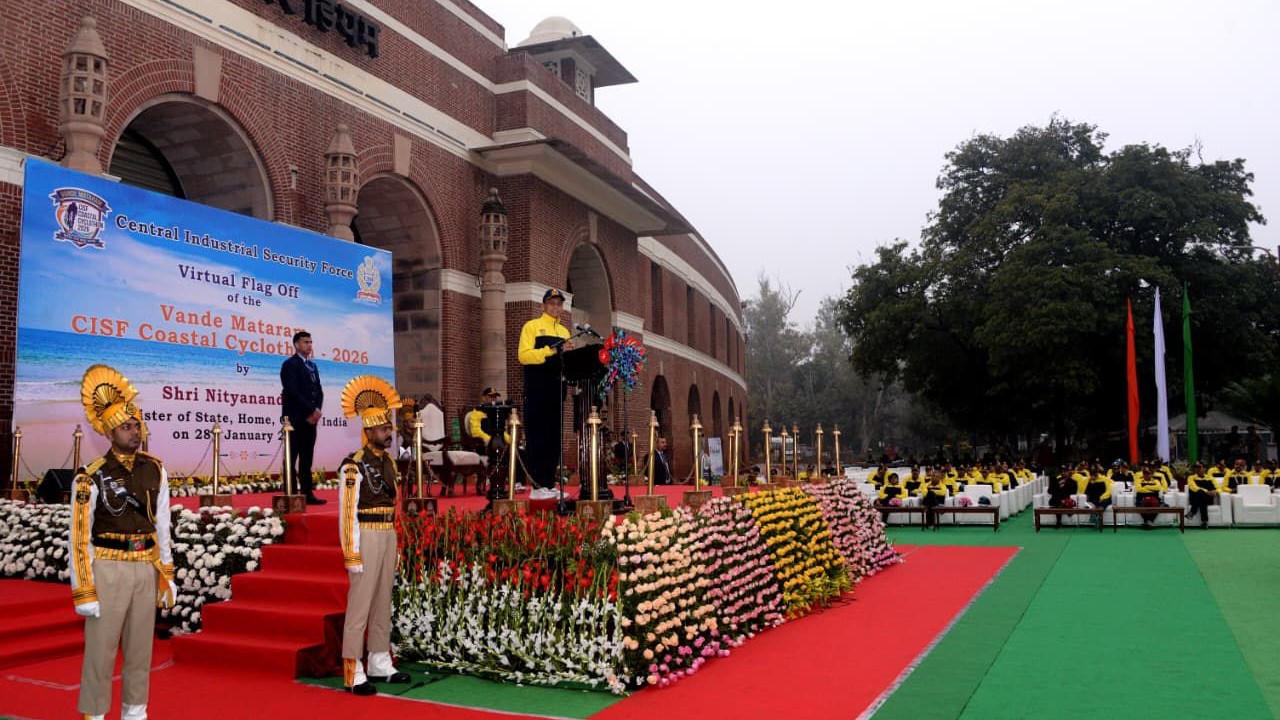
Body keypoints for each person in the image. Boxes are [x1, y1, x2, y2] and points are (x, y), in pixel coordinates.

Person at [70, 365, 176, 720]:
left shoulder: (156, 469)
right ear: (109, 432)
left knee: (140, 650)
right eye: (126, 427)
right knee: (100, 651)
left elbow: (163, 525)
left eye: (137, 425)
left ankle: (135, 712)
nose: (135, 432)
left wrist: (167, 575)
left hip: (146, 567)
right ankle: (95, 715)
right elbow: (79, 538)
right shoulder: (92, 475)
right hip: (108, 567)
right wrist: (84, 589)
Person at [337, 375, 411, 696]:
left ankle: (380, 659)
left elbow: (396, 504)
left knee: (383, 600)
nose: (389, 434)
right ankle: (353, 668)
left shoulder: (391, 463)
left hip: (387, 533)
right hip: (365, 533)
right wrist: (351, 553)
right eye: (383, 430)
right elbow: (347, 512)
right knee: (361, 604)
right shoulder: (352, 466)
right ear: (368, 431)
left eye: (389, 430)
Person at [518, 289, 572, 500]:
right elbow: (523, 356)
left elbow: (566, 362)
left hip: (556, 391)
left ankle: (549, 483)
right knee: (537, 437)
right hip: (537, 390)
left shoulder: (565, 332)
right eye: (552, 303)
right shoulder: (531, 327)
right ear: (543, 305)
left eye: (559, 304)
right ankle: (537, 485)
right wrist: (550, 351)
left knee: (553, 438)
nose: (556, 307)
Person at [280, 330, 326, 504]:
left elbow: (319, 391)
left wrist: (317, 410)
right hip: (295, 419)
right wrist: (310, 410)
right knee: (291, 458)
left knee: (307, 459)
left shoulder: (313, 366)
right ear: (297, 344)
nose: (309, 345)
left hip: (311, 420)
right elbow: (292, 391)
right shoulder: (290, 364)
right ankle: (291, 493)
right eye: (305, 342)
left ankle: (307, 494)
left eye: (310, 342)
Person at [1186, 462, 1221, 529]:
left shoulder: (1210, 478)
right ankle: (1204, 521)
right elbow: (1194, 487)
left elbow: (1219, 488)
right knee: (1200, 493)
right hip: (1195, 498)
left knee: (1202, 496)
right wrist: (1207, 491)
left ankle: (1192, 512)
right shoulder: (1191, 477)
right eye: (1196, 467)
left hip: (1208, 498)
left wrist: (1215, 492)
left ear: (1204, 469)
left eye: (1199, 467)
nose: (1197, 469)